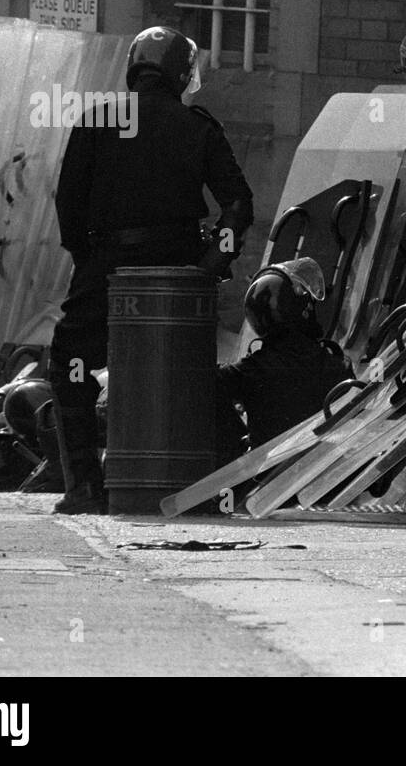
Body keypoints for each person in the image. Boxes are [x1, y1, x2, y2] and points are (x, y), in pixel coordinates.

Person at [48, 26, 254, 514]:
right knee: (187, 368)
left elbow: (68, 204)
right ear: (181, 73)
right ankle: (212, 479)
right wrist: (211, 264)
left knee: (71, 362)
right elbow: (239, 204)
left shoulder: (96, 121)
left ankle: (83, 487)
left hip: (106, 267)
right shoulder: (198, 127)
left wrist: (89, 260)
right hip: (177, 268)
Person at [215, 258, 354, 467]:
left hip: (266, 481)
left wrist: (238, 441)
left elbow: (205, 386)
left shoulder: (249, 371)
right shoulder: (336, 365)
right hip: (325, 478)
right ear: (302, 310)